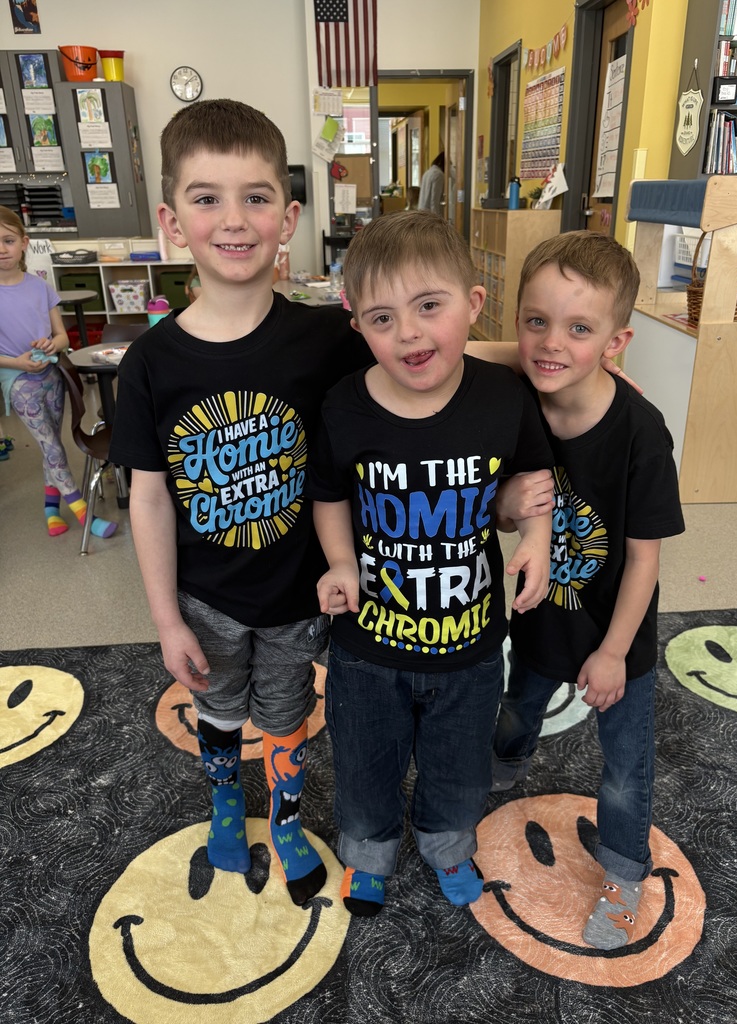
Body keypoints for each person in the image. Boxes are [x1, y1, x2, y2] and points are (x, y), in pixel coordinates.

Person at [108, 99, 374, 905]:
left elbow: (424, 358)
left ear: (288, 217)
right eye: (206, 197)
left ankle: (286, 818)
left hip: (299, 594)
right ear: (171, 219)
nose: (234, 219)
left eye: (256, 198)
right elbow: (148, 500)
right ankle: (227, 800)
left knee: (288, 715)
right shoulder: (150, 363)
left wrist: (561, 375)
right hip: (205, 597)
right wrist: (164, 618)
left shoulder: (330, 339)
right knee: (219, 714)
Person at [308, 210, 553, 916]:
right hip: (366, 646)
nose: (408, 333)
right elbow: (327, 495)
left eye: (429, 307)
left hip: (471, 646)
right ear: (358, 326)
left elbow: (535, 479)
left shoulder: (504, 398)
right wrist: (339, 563)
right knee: (363, 764)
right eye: (382, 318)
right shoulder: (344, 408)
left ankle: (447, 845)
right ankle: (370, 853)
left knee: (458, 765)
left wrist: (533, 539)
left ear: (473, 306)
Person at [492, 230, 685, 950]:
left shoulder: (641, 433)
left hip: (616, 636)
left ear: (617, 340)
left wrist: (611, 653)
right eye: (535, 321)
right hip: (540, 618)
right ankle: (504, 766)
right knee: (517, 709)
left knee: (625, 768)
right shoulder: (514, 400)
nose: (550, 343)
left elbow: (643, 561)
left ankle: (625, 873)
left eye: (580, 328)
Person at [0, 205, 117, 538]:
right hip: (18, 380)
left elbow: (63, 335)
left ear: (24, 243)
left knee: (51, 444)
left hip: (52, 375)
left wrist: (54, 344)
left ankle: (51, 508)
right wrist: (19, 363)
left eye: (8, 240)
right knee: (50, 445)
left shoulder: (40, 287)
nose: (1, 249)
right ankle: (85, 515)